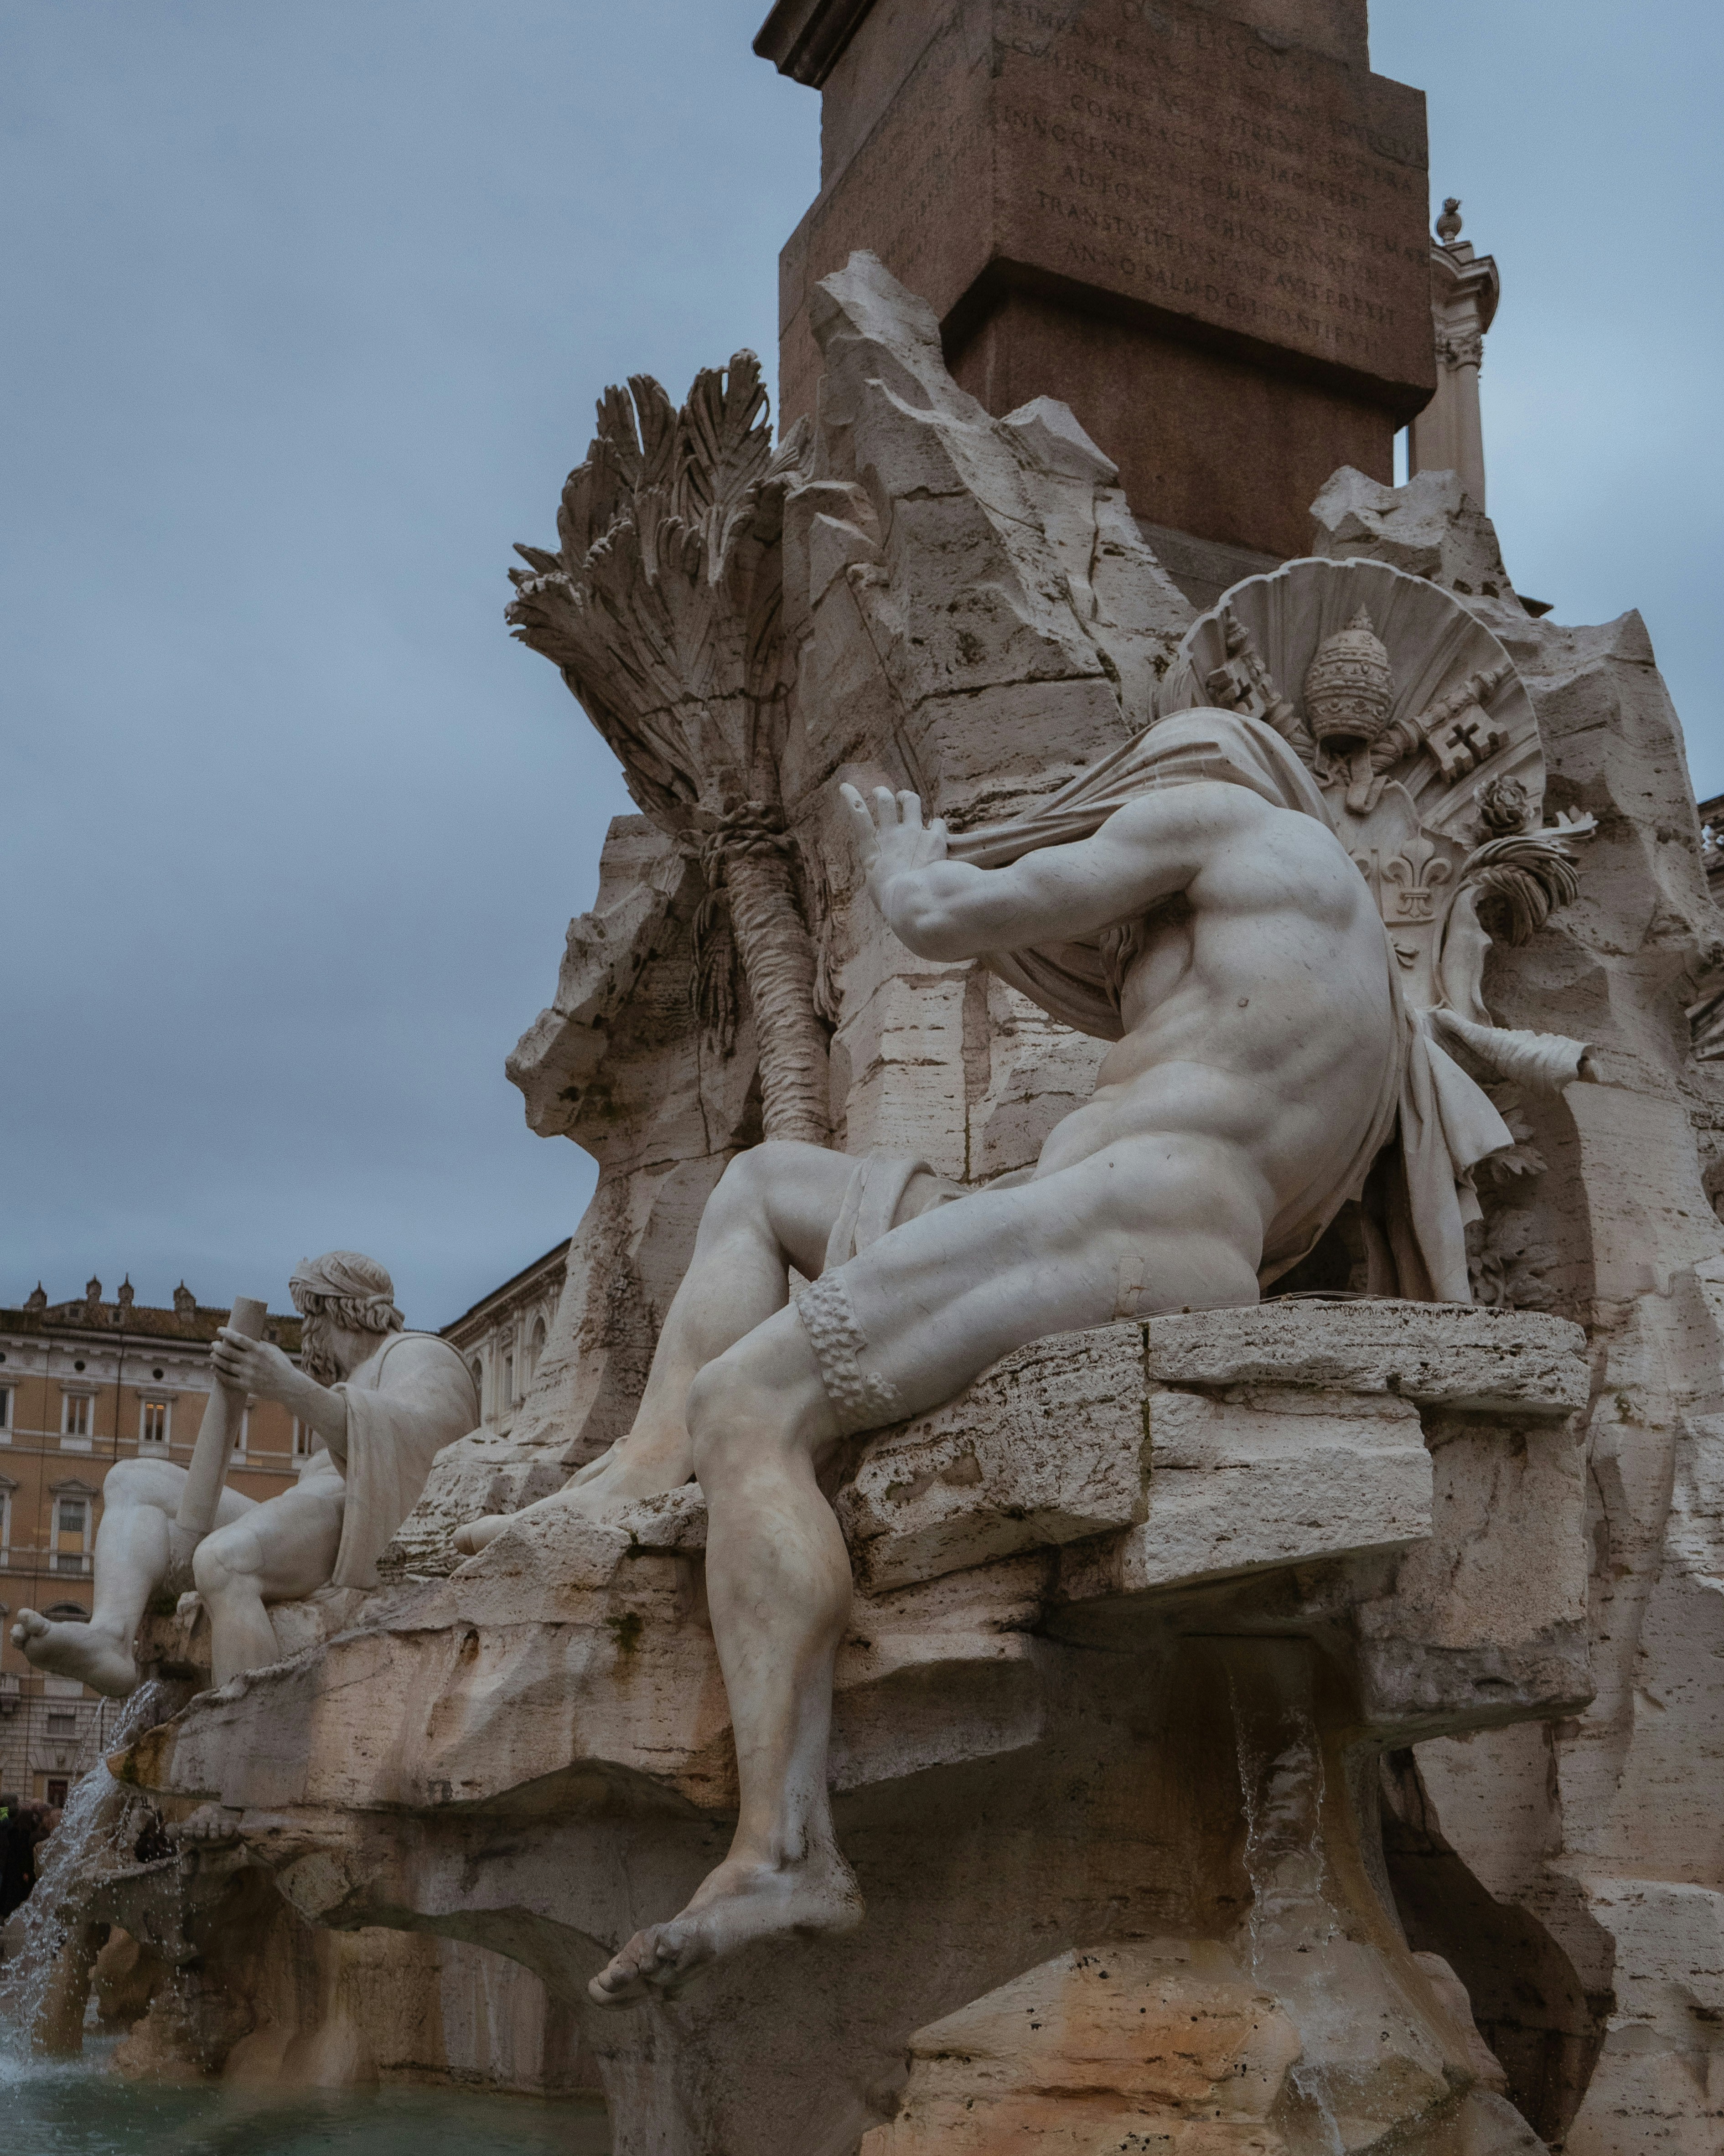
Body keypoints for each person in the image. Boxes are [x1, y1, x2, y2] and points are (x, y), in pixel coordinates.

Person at [452, 707, 1512, 2009]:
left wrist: (904, 868)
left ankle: (786, 1847)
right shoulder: (1344, 979)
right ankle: (644, 1469)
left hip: (1125, 1217)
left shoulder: (1225, 814)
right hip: (1136, 1222)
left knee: (756, 1404)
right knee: (768, 1185)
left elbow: (954, 917)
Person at [10, 1252, 477, 1698]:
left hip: (359, 1525)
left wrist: (288, 1386)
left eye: (312, 1316)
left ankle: (244, 1730)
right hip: (311, 1524)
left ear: (340, 1310)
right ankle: (111, 1636)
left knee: (224, 1559)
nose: (307, 1332)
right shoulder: (349, 1376)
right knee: (131, 1479)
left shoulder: (418, 1353)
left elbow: (431, 1448)